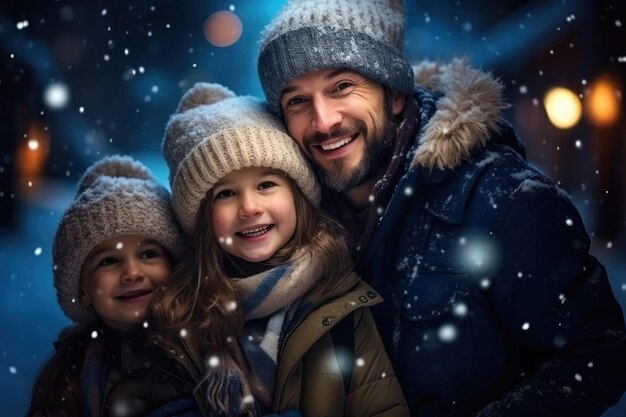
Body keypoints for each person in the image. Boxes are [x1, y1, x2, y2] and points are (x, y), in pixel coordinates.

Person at [256, 0, 626, 416]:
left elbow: (596, 355)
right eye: (297, 101)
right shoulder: (298, 222)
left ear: (394, 94)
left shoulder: (502, 198)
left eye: (342, 86)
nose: (323, 121)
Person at [151, 82, 409, 417]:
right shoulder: (180, 315)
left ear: (298, 196)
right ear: (202, 221)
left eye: (266, 185)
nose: (250, 207)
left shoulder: (341, 303)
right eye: (226, 194)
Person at [26, 155, 202, 417]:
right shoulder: (69, 374)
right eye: (109, 261)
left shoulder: (210, 337)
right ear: (82, 290)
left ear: (174, 266)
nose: (131, 273)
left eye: (148, 255)